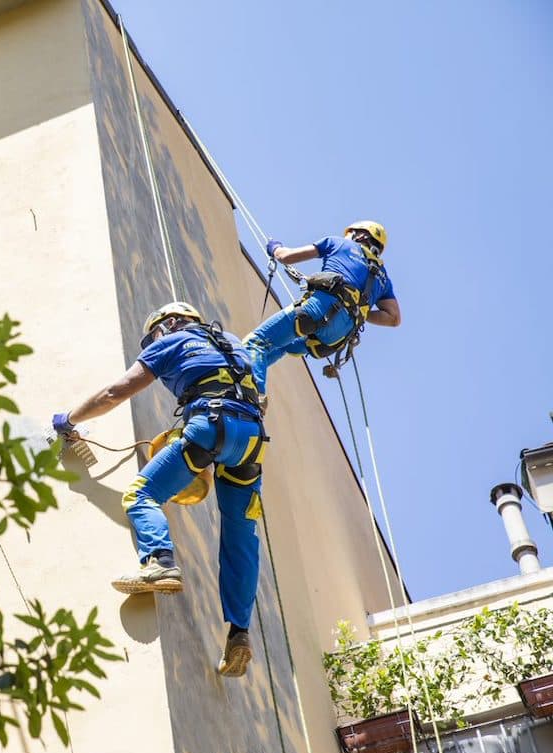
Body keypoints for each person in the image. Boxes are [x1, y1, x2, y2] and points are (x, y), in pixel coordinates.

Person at [51, 302, 267, 677]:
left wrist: (69, 418)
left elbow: (115, 393)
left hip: (209, 428)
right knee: (240, 538)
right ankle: (239, 633)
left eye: (152, 336)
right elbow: (261, 398)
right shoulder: (235, 346)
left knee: (141, 495)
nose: (152, 342)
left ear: (166, 325)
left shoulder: (172, 339)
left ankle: (159, 564)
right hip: (251, 443)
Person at [245, 221, 401, 397]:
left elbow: (285, 257)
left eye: (349, 234)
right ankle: (250, 376)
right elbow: (394, 318)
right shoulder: (382, 277)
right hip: (335, 338)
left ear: (360, 235)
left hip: (317, 309)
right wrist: (360, 310)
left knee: (256, 342)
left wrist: (274, 248)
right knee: (281, 345)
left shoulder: (338, 243)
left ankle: (252, 395)